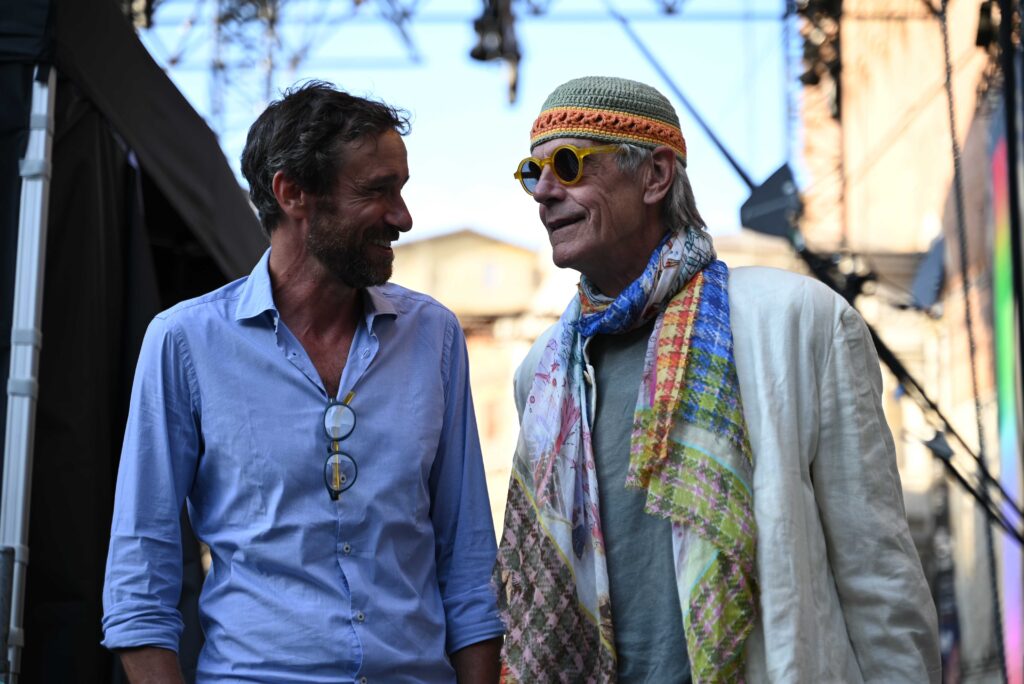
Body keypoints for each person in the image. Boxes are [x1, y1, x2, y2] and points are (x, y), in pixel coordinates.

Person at [494, 75, 940, 683]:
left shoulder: (799, 321)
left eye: (569, 165)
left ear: (655, 176)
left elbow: (877, 570)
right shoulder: (543, 373)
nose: (544, 192)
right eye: (532, 172)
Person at [102, 81, 504, 683]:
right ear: (292, 193)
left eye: (401, 189)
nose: (403, 217)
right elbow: (139, 585)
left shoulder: (434, 336)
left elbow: (469, 566)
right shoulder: (185, 343)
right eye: (377, 191)